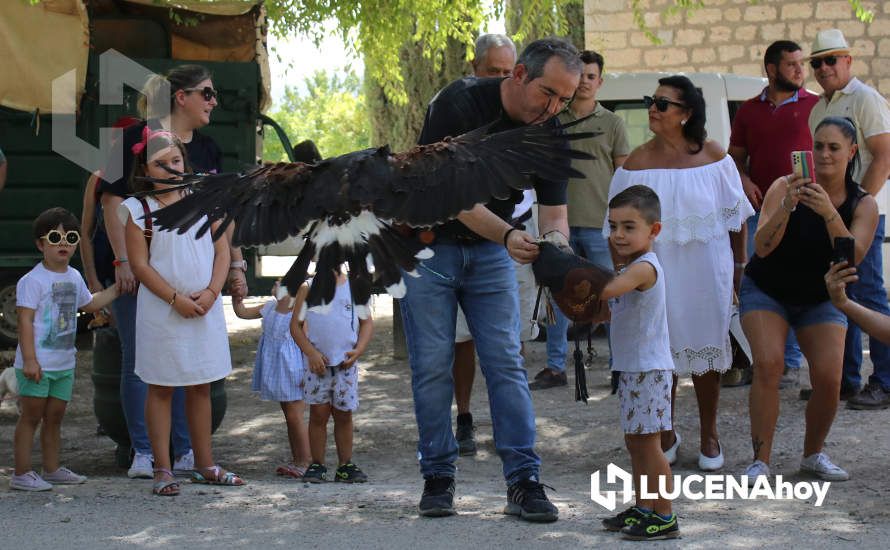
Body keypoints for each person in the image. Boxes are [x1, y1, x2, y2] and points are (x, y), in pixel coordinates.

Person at [402, 37, 581, 521]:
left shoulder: (552, 130)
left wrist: (557, 253)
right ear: (518, 74)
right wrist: (508, 235)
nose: (554, 108)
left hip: (492, 252)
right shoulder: (456, 104)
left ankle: (523, 481)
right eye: (548, 93)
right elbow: (449, 196)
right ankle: (437, 477)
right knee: (432, 366)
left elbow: (555, 214)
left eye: (566, 99)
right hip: (430, 246)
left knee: (506, 362)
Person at [606, 75, 753, 472]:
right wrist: (623, 274)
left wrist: (739, 267)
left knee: (707, 348)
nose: (653, 108)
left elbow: (736, 219)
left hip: (708, 268)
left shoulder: (715, 157)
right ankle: (665, 431)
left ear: (686, 114)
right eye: (650, 100)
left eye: (663, 103)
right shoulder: (635, 162)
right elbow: (614, 226)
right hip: (655, 272)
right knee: (660, 351)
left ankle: (710, 433)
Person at [98, 65, 228, 479]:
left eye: (177, 159)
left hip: (201, 293)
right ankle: (149, 457)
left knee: (198, 379)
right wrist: (122, 265)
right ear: (180, 96)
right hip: (148, 279)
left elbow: (222, 238)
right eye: (206, 93)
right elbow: (110, 204)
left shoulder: (207, 153)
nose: (213, 101)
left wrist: (219, 285)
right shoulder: (130, 141)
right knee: (149, 370)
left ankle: (193, 456)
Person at [740, 116, 876, 483]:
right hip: (767, 289)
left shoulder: (863, 204)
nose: (825, 154)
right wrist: (787, 205)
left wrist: (829, 212)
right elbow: (762, 249)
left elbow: (853, 258)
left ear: (851, 152)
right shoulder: (785, 186)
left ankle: (813, 454)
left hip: (822, 295)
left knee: (830, 378)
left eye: (834, 147)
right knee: (769, 364)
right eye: (818, 146)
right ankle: (760, 461)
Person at [119, 128, 244, 495]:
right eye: (161, 164)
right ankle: (163, 469)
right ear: (145, 167)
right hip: (162, 313)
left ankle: (204, 464)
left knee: (201, 385)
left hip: (204, 309)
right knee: (159, 388)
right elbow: (140, 266)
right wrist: (176, 299)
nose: (171, 168)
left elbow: (222, 251)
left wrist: (211, 292)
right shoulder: (137, 210)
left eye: (175, 160)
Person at [536, 49, 630, 390]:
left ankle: (620, 367)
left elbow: (623, 176)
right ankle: (555, 366)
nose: (586, 82)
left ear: (600, 82)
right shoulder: (552, 122)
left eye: (592, 76)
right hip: (556, 227)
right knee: (558, 296)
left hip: (600, 226)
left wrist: (620, 225)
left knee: (611, 295)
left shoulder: (613, 123)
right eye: (582, 76)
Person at [729, 40, 819, 389]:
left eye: (801, 64)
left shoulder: (816, 105)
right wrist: (745, 178)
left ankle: (790, 363)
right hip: (762, 212)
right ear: (771, 69)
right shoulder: (749, 111)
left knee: (798, 278)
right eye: (792, 64)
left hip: (806, 209)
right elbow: (734, 158)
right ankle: (761, 358)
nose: (800, 70)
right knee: (760, 279)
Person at [808, 28, 890, 410]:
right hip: (831, 215)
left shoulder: (865, 99)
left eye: (831, 59)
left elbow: (884, 157)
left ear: (847, 61)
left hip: (861, 213)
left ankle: (885, 382)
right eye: (817, 62)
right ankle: (845, 379)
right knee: (840, 291)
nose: (824, 68)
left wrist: (861, 209)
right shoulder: (817, 109)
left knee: (869, 293)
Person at [11, 208, 119, 491]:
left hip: (63, 364)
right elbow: (25, 321)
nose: (63, 243)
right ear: (40, 244)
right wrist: (30, 360)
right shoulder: (32, 281)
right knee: (31, 416)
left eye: (70, 237)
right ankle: (21, 473)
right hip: (37, 365)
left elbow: (90, 304)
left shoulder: (73, 276)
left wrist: (119, 288)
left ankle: (52, 469)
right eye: (55, 237)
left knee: (55, 418)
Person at [598, 185, 679, 541]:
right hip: (633, 368)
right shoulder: (630, 264)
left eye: (629, 227)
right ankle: (644, 506)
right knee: (636, 443)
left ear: (654, 230)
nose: (618, 234)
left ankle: (665, 515)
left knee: (650, 446)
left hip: (649, 370)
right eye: (613, 226)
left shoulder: (644, 268)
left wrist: (562, 271)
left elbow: (605, 290)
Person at [452, 32, 520, 457]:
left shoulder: (525, 117)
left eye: (506, 72)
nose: (499, 79)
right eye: (492, 71)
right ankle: (462, 418)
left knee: (503, 350)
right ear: (475, 69)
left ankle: (508, 435)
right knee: (456, 344)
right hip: (452, 245)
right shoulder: (454, 110)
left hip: (504, 246)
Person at [290, 269, 374, 483]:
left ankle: (345, 464)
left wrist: (359, 349)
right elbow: (296, 327)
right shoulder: (308, 288)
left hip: (346, 365)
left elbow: (366, 323)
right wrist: (311, 353)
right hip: (318, 366)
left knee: (344, 414)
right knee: (318, 414)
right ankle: (317, 464)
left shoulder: (355, 286)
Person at [233, 281, 310, 479]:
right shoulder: (269, 307)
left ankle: (306, 460)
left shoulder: (299, 310)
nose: (275, 283)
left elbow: (308, 339)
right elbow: (242, 312)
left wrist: (308, 369)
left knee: (295, 415)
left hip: (293, 367)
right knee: (288, 414)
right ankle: (297, 459)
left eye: (281, 281)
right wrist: (236, 297)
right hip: (278, 368)